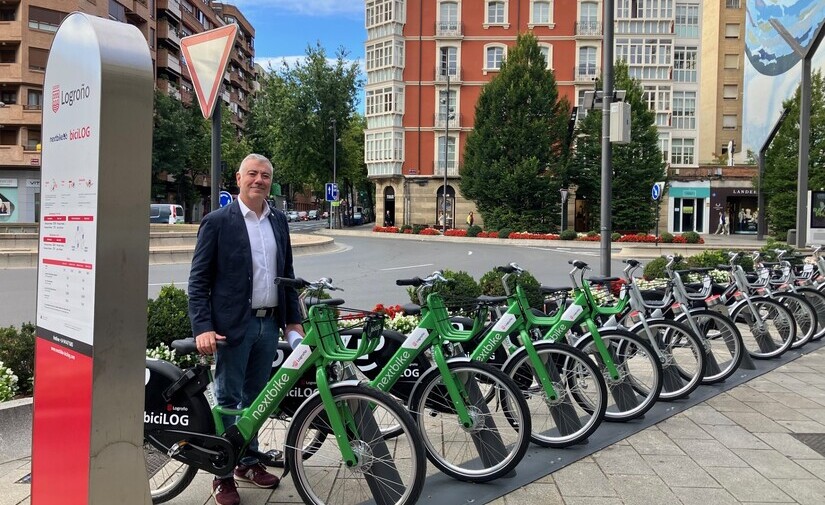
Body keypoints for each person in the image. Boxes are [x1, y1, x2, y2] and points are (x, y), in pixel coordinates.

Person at [188, 153, 304, 505]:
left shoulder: (279, 221)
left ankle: (248, 462)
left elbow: (286, 273)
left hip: (268, 325)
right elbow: (198, 280)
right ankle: (223, 474)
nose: (258, 180)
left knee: (257, 400)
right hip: (230, 329)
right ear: (238, 178)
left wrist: (292, 322)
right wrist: (203, 328)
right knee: (227, 400)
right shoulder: (217, 222)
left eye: (265, 175)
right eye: (252, 174)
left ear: (271, 181)